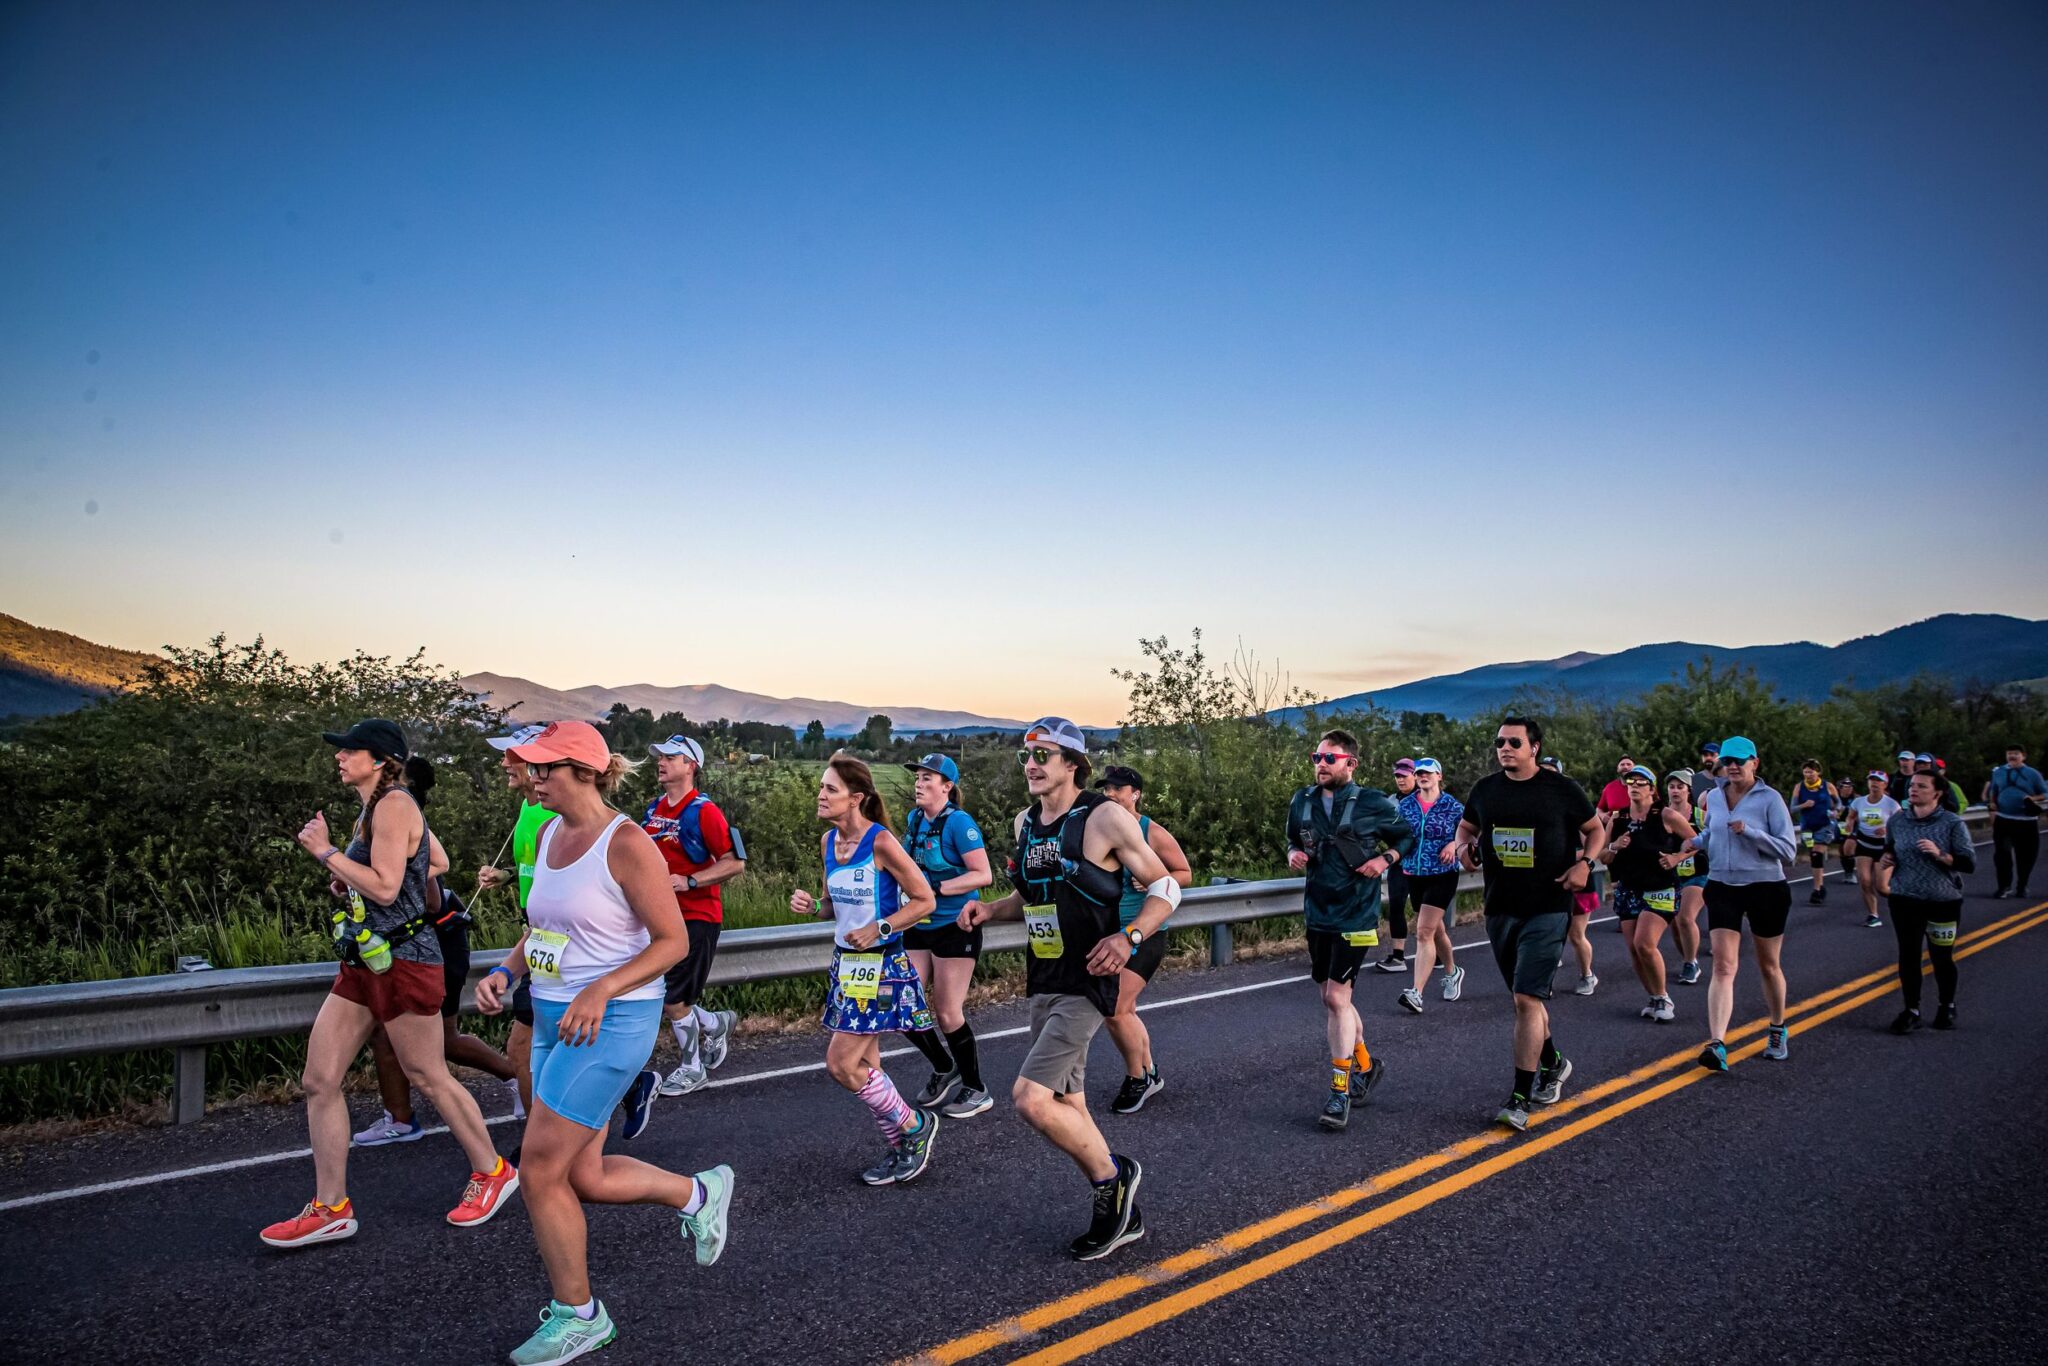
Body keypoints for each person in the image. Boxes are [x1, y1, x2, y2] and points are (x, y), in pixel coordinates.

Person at [474, 720, 732, 1365]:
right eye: (530, 769)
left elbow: (672, 942)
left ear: (584, 771)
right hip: (557, 1015)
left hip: (610, 1022)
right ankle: (698, 1194)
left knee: (538, 1170)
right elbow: (545, 926)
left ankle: (579, 1315)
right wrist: (510, 969)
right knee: (581, 1175)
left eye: (544, 769)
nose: (533, 779)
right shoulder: (552, 833)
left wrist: (602, 990)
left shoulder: (627, 843)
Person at [263, 719, 516, 1249]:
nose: (339, 756)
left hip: (403, 959)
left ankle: (492, 1171)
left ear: (379, 759)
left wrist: (329, 855)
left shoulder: (395, 805)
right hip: (364, 959)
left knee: (428, 1073)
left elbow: (384, 886)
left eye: (349, 749)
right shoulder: (373, 808)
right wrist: (351, 874)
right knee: (319, 1078)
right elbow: (435, 860)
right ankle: (331, 1207)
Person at [957, 718, 1180, 1261]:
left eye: (1044, 755)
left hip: (1091, 977)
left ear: (1073, 764)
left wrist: (1130, 937)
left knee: (1030, 1099)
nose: (1031, 764)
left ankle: (1113, 1178)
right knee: (1066, 1101)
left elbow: (1167, 885)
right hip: (1046, 975)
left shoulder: (1104, 817)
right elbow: (1031, 897)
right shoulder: (1026, 823)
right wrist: (991, 909)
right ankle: (1118, 1208)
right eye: (1026, 755)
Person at [787, 754, 943, 1185]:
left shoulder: (881, 842)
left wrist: (881, 927)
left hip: (881, 963)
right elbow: (833, 906)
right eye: (821, 786)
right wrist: (813, 906)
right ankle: (901, 1149)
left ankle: (914, 1127)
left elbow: (924, 899)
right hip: (846, 965)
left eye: (830, 789)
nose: (820, 794)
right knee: (867, 1065)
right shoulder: (827, 844)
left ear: (856, 798)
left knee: (841, 1064)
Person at [351, 756, 519, 1148]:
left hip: (435, 943)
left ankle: (513, 1081)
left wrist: (383, 890)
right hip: (428, 943)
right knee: (398, 1036)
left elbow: (428, 902)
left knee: (434, 1040)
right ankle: (403, 1117)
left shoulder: (402, 817)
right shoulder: (388, 816)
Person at [1449, 716, 1604, 1133]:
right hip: (1500, 906)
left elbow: (1595, 829)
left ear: (1534, 747)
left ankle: (1519, 1097)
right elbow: (1466, 827)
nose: (1505, 748)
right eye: (1500, 741)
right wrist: (1465, 848)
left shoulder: (1562, 789)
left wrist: (1585, 864)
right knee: (1526, 1001)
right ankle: (1554, 1063)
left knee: (1525, 999)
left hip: (1549, 905)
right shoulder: (1486, 789)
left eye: (1514, 742)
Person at [1285, 730, 1414, 1130]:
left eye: (1329, 758)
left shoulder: (1372, 802)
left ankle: (1339, 1091)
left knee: (1339, 999)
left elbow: (1406, 836)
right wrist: (1293, 853)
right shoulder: (1302, 801)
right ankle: (1366, 1065)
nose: (1321, 764)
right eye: (1316, 758)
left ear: (1350, 763)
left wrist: (1385, 860)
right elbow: (1290, 839)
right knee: (1329, 997)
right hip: (1318, 912)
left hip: (1356, 915)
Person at [1676, 736, 1797, 1072]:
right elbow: (1716, 834)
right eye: (1727, 761)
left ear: (1754, 763)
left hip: (1765, 887)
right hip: (1723, 886)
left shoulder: (1770, 799)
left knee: (1768, 965)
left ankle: (1776, 1028)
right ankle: (1717, 1043)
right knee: (1723, 966)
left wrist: (1752, 833)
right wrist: (1694, 842)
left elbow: (1788, 850)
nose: (1732, 766)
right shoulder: (1714, 797)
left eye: (1739, 761)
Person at [638, 735, 746, 1107]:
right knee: (660, 994)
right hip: (657, 918)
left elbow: (735, 861)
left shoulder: (704, 811)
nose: (661, 762)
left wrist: (691, 881)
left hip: (697, 916)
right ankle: (715, 1024)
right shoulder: (654, 809)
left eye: (671, 757)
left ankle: (692, 1067)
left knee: (673, 999)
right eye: (660, 756)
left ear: (691, 766)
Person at [899, 752, 998, 1118]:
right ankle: (944, 1066)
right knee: (903, 1005)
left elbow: (982, 875)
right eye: (918, 777)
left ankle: (976, 1088)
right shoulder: (914, 820)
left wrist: (936, 892)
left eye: (928, 778)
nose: (919, 783)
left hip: (956, 925)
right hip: (918, 924)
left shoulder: (959, 823)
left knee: (946, 1011)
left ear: (947, 786)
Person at [1095, 766, 1192, 1113]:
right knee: (1126, 1009)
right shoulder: (1103, 829)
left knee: (1116, 1008)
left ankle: (1137, 1078)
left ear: (1135, 793)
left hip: (1145, 932)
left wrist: (1157, 879)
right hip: (1109, 934)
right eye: (1106, 789)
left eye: (1117, 789)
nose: (1110, 795)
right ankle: (1149, 1071)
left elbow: (1184, 874)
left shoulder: (1152, 831)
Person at [478, 723, 558, 1128]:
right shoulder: (528, 806)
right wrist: (505, 876)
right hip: (535, 930)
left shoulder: (554, 808)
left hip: (556, 934)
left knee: (523, 1045)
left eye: (512, 756)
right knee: (540, 1043)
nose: (504, 762)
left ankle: (540, 1143)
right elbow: (535, 865)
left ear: (535, 763)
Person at [1881, 771, 1976, 1033]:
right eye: (1912, 785)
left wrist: (1941, 855)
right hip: (1904, 898)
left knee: (1941, 957)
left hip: (1942, 901)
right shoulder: (1898, 821)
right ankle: (1911, 1010)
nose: (1914, 790)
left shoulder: (1952, 823)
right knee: (1908, 956)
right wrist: (1887, 858)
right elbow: (1890, 847)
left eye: (1921, 786)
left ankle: (1947, 1005)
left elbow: (1968, 863)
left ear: (1937, 793)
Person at [1600, 765, 1688, 1023]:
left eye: (1641, 783)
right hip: (1629, 889)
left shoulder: (1666, 815)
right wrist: (1614, 846)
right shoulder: (1618, 819)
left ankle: (1663, 997)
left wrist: (1677, 857)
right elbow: (1603, 856)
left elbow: (1696, 841)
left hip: (1660, 888)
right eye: (1631, 783)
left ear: (1652, 789)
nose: (1634, 787)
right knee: (1634, 950)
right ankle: (1653, 996)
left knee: (1644, 944)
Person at [1393, 757, 1465, 1013]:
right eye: (1419, 773)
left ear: (1439, 776)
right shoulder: (1407, 805)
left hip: (1443, 873)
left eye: (1428, 773)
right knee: (1436, 931)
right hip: (1414, 872)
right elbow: (1398, 834)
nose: (1423, 776)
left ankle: (1416, 993)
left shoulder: (1453, 806)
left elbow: (1469, 832)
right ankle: (1452, 972)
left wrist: (1453, 845)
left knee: (1423, 931)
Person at [1543, 755, 1600, 994]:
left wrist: (1570, 858)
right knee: (1545, 935)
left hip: (1577, 882)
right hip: (1549, 881)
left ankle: (1587, 975)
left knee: (1576, 934)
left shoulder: (1573, 803)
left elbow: (1591, 846)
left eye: (1550, 771)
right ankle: (1543, 982)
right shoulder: (1537, 805)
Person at [1374, 758, 1419, 974]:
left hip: (1421, 863)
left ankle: (1437, 954)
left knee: (1423, 910)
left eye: (1404, 775)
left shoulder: (1424, 797)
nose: (1400, 779)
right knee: (1396, 907)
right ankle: (1398, 956)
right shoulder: (1391, 801)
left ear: (1415, 775)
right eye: (1397, 776)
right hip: (1398, 861)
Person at [1662, 771, 1707, 987]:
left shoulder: (1699, 816)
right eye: (1672, 786)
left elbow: (1713, 839)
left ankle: (1690, 963)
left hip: (1698, 875)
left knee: (1685, 917)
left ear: (1688, 790)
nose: (1676, 790)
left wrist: (1688, 849)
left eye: (1680, 786)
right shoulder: (1661, 815)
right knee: (1676, 926)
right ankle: (1691, 958)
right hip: (1670, 878)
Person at [1986, 743, 2047, 898]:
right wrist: (1992, 802)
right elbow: (1994, 789)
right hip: (2003, 819)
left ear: (2023, 756)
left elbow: (2045, 793)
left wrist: (2032, 798)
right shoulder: (1998, 772)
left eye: (2016, 754)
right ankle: (2004, 887)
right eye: (2009, 753)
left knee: (2026, 856)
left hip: (2026, 821)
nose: (2012, 756)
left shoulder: (2033, 774)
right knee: (2002, 855)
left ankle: (2022, 885)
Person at [1848, 772, 1901, 929]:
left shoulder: (1892, 805)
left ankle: (1905, 902)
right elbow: (1851, 816)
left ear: (1885, 784)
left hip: (1884, 848)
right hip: (1864, 844)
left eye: (1878, 781)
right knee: (1864, 880)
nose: (1874, 783)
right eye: (1872, 780)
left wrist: (1887, 829)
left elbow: (1902, 824)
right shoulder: (1859, 802)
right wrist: (1849, 824)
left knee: (1882, 887)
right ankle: (1873, 915)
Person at [1788, 759, 1840, 905]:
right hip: (1808, 826)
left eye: (1811, 771)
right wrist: (1804, 805)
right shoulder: (1799, 787)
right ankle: (1820, 885)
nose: (1808, 774)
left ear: (1818, 772)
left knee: (1817, 854)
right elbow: (1792, 808)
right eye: (1805, 772)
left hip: (1825, 825)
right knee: (1813, 855)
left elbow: (1839, 803)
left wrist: (1836, 811)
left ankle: (1817, 889)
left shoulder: (1827, 786)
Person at [1689, 742, 1722, 808]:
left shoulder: (1727, 780)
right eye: (1705, 755)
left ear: (1720, 757)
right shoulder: (1693, 780)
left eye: (1712, 755)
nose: (1708, 758)